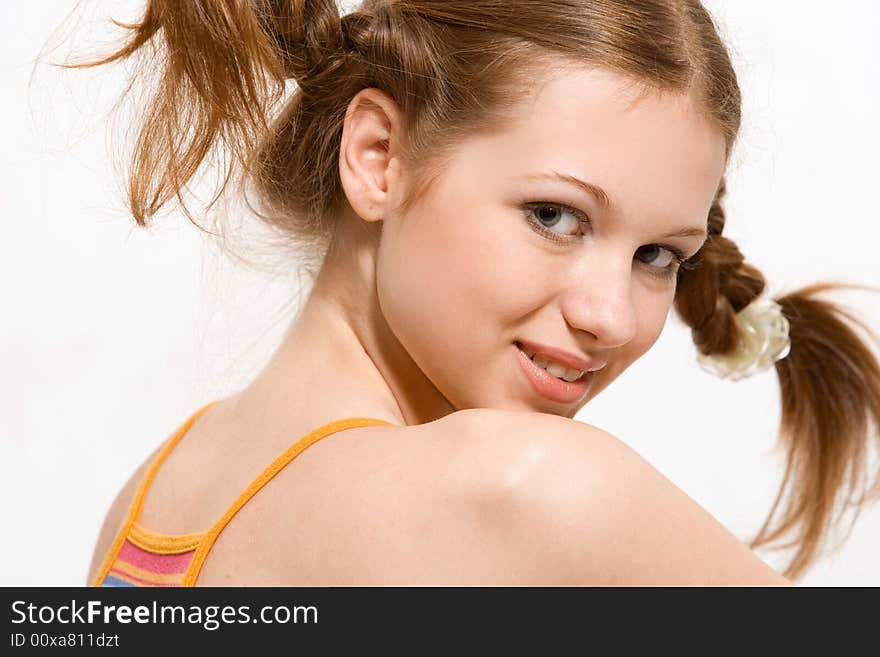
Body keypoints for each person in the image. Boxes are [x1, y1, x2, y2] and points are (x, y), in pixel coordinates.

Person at [80, 0, 879, 586]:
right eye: (554, 215)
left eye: (659, 255)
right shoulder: (526, 484)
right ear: (377, 156)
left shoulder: (149, 503)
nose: (610, 316)